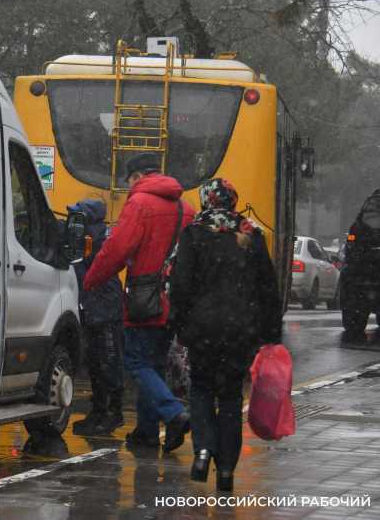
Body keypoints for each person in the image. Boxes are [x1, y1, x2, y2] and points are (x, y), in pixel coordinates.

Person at [169, 178, 282, 492]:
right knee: (231, 397)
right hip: (240, 330)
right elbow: (267, 290)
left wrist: (180, 324)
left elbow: (180, 286)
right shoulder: (252, 235)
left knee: (202, 389)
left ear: (207, 200)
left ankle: (203, 450)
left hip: (202, 328)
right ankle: (227, 470)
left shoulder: (193, 234)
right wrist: (271, 334)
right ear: (233, 201)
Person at [83, 152, 194, 452]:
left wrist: (91, 279)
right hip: (173, 299)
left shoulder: (140, 204)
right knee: (154, 363)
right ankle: (147, 431)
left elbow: (116, 249)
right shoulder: (186, 208)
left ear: (136, 177)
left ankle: (173, 413)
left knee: (136, 361)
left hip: (145, 298)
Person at [68, 198, 125, 436]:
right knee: (96, 361)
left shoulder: (95, 238)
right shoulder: (92, 237)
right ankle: (100, 411)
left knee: (107, 361)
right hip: (94, 303)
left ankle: (112, 412)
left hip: (103, 305)